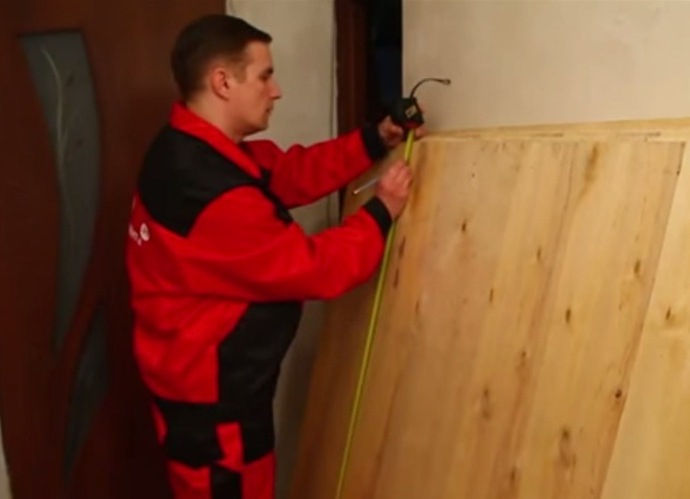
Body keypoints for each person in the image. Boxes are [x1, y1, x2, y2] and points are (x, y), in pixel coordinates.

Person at [126, 13, 419, 499]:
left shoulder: (191, 148)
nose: (276, 90)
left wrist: (375, 139)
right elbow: (316, 269)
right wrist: (382, 210)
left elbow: (286, 173)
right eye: (264, 76)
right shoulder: (211, 192)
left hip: (198, 391)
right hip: (215, 411)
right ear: (223, 82)